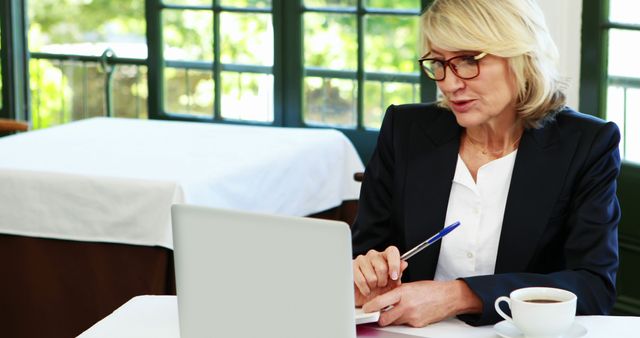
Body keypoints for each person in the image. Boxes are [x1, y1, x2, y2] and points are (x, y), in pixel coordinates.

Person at [351, 0, 621, 328]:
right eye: (438, 63)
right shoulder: (404, 131)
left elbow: (594, 287)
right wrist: (366, 273)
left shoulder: (587, 144)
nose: (449, 83)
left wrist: (460, 294)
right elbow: (361, 253)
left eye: (467, 60)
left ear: (521, 56)